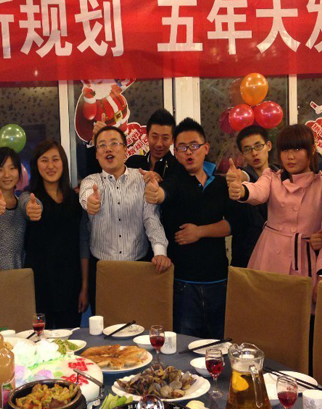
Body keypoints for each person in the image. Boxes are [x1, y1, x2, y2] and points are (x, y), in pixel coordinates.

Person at [144, 118, 232, 338]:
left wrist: (200, 231)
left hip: (219, 281)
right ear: (176, 152)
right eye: (182, 147)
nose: (189, 152)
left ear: (206, 148)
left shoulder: (221, 184)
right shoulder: (175, 181)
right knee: (184, 345)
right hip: (183, 284)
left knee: (220, 345)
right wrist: (155, 193)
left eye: (194, 145)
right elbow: (163, 193)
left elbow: (232, 225)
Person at [229, 124, 322, 300]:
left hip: (304, 261)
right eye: (285, 150)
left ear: (312, 149)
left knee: (299, 312)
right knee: (264, 308)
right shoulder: (272, 176)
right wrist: (241, 190)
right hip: (269, 257)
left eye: (297, 149)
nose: (290, 156)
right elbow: (258, 192)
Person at [79, 126, 171, 313]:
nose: (108, 149)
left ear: (125, 150)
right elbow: (86, 195)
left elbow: (151, 219)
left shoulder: (142, 179)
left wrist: (160, 252)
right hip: (102, 269)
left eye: (114, 143)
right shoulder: (91, 181)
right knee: (104, 324)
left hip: (138, 266)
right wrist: (90, 203)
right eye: (102, 145)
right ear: (96, 154)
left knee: (139, 321)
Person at [25, 141, 89, 328]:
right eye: (44, 160)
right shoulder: (30, 199)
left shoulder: (75, 200)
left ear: (63, 163)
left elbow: (83, 243)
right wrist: (28, 209)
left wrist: (85, 286)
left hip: (71, 284)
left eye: (55, 159)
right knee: (40, 341)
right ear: (36, 165)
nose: (50, 166)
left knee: (70, 339)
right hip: (38, 286)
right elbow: (24, 207)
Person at [0, 147, 42, 270]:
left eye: (12, 168)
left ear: (19, 171)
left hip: (19, 275)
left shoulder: (21, 202)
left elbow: (28, 202)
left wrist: (35, 207)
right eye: (0, 169)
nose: (6, 175)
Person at [226, 125, 278, 267]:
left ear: (268, 146)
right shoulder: (241, 178)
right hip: (247, 255)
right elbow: (246, 177)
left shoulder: (280, 174)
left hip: (278, 253)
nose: (254, 153)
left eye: (258, 146)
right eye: (247, 149)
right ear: (242, 154)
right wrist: (238, 182)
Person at [85, 109, 178, 179]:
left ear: (172, 140)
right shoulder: (133, 163)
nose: (159, 144)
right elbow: (101, 178)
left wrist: (161, 187)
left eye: (165, 138)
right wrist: (97, 140)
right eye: (154, 137)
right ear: (147, 136)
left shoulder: (178, 169)